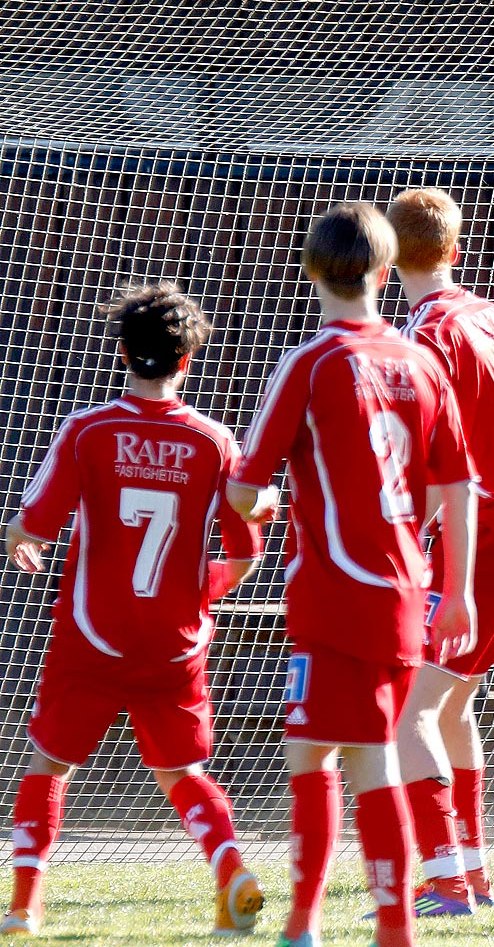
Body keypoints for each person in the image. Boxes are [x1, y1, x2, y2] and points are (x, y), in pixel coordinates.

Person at [227, 202, 478, 947]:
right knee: (372, 753)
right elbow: (457, 486)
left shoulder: (308, 363)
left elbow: (244, 485)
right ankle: (394, 926)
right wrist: (457, 588)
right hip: (408, 590)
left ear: (312, 271)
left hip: (332, 590)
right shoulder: (421, 362)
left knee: (313, 752)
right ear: (383, 268)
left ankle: (303, 922)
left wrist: (268, 500)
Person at [2, 284, 265, 937]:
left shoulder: (89, 431)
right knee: (182, 772)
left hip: (92, 634)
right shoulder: (214, 442)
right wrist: (195, 592)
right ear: (189, 360)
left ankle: (24, 904)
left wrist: (19, 540)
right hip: (175, 643)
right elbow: (245, 556)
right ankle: (231, 868)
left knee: (48, 764)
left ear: (121, 353)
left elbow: (31, 525)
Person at [383, 187, 494, 917]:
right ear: (458, 250)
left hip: (483, 534)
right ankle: (475, 875)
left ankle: (445, 880)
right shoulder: (492, 314)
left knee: (406, 715)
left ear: (389, 262)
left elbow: (433, 462)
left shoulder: (422, 335)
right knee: (452, 706)